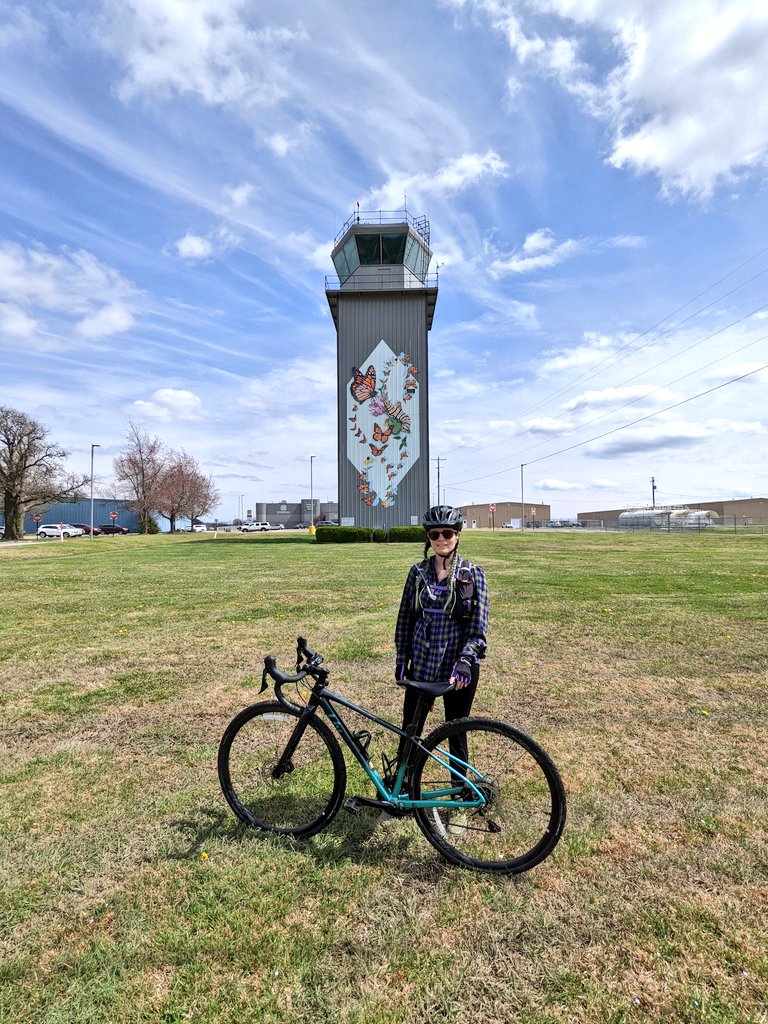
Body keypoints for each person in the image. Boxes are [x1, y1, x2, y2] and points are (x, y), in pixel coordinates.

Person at [393, 505, 489, 782]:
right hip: (422, 664)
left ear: (458, 535)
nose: (441, 539)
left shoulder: (472, 574)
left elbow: (478, 629)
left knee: (455, 732)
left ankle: (459, 794)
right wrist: (402, 658)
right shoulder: (417, 573)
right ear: (428, 538)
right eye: (435, 534)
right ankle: (402, 789)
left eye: (447, 533)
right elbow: (405, 619)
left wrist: (466, 661)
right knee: (410, 730)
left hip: (456, 668)